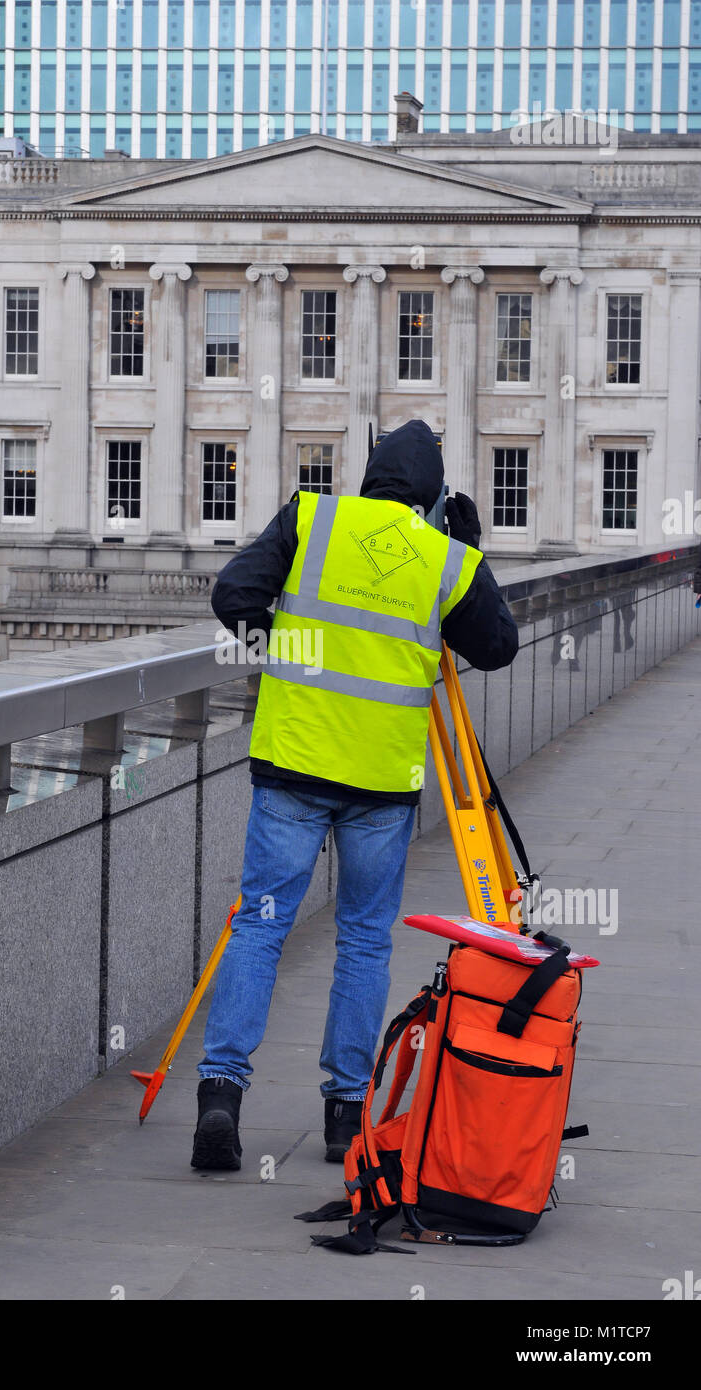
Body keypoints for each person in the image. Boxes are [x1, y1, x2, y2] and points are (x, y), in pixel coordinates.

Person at [192, 419, 519, 1171]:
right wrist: (471, 553)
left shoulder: (312, 516)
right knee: (365, 942)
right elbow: (496, 648)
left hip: (293, 764)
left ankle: (220, 1094)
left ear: (370, 474)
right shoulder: (443, 559)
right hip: (382, 782)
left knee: (260, 929)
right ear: (436, 497)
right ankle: (345, 1113)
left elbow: (232, 594)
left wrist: (291, 650)